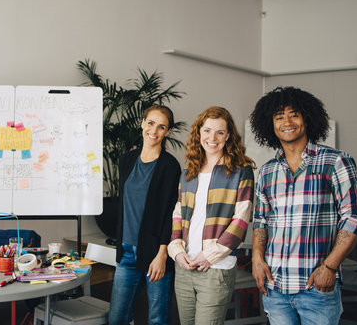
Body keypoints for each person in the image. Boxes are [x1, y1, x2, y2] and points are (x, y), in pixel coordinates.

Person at [249, 86, 357, 325]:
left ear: (307, 118)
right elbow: (261, 220)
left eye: (294, 114)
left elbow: (354, 217)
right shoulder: (267, 171)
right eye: (279, 116)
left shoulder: (335, 161)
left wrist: (330, 267)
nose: (287, 121)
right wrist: (257, 259)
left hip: (316, 285)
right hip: (275, 286)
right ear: (270, 125)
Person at [168, 106, 255, 324]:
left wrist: (210, 255)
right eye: (207, 131)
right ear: (199, 133)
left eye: (219, 132)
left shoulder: (240, 170)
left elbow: (241, 220)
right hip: (185, 265)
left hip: (216, 268)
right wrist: (177, 251)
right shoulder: (188, 173)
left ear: (228, 136)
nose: (212, 138)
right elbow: (178, 214)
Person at [108, 104, 181, 325]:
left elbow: (171, 214)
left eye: (161, 127)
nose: (154, 131)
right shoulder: (126, 160)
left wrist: (162, 255)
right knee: (117, 318)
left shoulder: (170, 166)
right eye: (151, 123)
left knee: (158, 319)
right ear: (142, 123)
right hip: (127, 251)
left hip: (156, 254)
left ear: (167, 132)